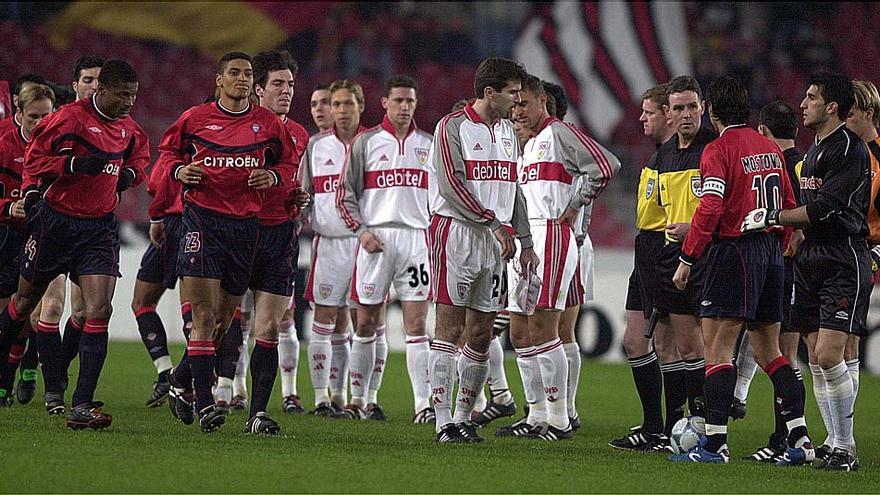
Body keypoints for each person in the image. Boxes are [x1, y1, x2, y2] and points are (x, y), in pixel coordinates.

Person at [669, 76, 812, 465]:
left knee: (718, 348)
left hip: (735, 253)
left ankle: (714, 444)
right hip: (770, 253)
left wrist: (687, 257)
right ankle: (799, 439)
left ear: (712, 111)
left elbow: (711, 205)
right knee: (772, 352)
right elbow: (787, 202)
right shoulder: (768, 147)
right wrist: (779, 244)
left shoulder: (718, 149)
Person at [0, 60, 149, 429]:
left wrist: (129, 175)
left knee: (99, 311)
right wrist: (69, 167)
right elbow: (34, 158)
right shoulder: (69, 118)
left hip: (98, 228)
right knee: (23, 304)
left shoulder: (129, 129)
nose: (129, 102)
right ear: (102, 90)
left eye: (133, 95)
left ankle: (81, 404)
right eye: (122, 94)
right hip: (55, 223)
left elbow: (141, 161)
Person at [161, 51, 298, 433]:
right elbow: (166, 155)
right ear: (218, 80)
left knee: (223, 324)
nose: (241, 79)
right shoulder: (195, 118)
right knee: (204, 317)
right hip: (202, 223)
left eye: (247, 73)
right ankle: (205, 404)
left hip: (246, 228)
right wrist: (177, 170)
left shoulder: (268, 123)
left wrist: (273, 177)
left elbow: (288, 165)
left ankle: (178, 380)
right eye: (234, 73)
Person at [742, 72, 870, 471]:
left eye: (811, 98)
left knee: (831, 354)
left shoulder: (849, 149)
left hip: (841, 259)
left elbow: (823, 208)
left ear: (832, 107)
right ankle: (834, 443)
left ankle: (845, 446)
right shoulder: (815, 150)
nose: (803, 104)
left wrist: (773, 217)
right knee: (815, 356)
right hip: (811, 259)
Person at [498, 75, 620, 441]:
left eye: (523, 104)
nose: (517, 111)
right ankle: (535, 415)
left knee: (544, 327)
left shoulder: (558, 134)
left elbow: (606, 164)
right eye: (514, 104)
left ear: (542, 103)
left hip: (550, 234)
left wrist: (574, 205)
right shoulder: (529, 145)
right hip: (525, 239)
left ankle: (559, 419)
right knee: (519, 332)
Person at [428, 57, 538, 443]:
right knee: (448, 329)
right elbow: (451, 185)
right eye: (512, 92)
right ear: (490, 93)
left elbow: (516, 190)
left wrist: (525, 241)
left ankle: (462, 417)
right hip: (457, 233)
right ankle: (442, 422)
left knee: (482, 332)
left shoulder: (509, 132)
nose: (518, 100)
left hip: (498, 242)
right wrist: (493, 223)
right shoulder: (452, 128)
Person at [337, 75, 434, 421]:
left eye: (410, 101)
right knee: (365, 323)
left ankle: (423, 404)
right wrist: (361, 231)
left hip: (415, 239)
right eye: (399, 101)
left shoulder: (429, 144)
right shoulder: (366, 143)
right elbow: (344, 195)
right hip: (375, 240)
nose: (405, 107)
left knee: (417, 324)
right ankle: (358, 399)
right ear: (384, 103)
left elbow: (438, 200)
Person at [232, 49, 310, 430]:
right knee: (218, 323)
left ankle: (256, 413)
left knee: (269, 327)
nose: (287, 91)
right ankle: (187, 382)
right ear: (257, 89)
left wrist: (295, 197)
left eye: (291, 84)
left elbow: (291, 181)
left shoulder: (298, 134)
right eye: (278, 83)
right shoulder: (236, 126)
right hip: (236, 231)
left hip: (279, 234)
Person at [609, 83, 683, 452]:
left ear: (668, 114)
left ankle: (673, 430)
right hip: (646, 250)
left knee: (669, 344)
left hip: (665, 251)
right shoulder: (658, 156)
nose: (641, 118)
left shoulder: (681, 158)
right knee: (634, 340)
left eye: (649, 112)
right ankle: (654, 427)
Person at [734, 100, 807, 462]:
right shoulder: (804, 163)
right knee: (773, 347)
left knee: (784, 356)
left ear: (763, 131)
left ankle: (786, 440)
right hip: (792, 269)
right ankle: (783, 434)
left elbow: (801, 226)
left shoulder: (780, 166)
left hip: (788, 269)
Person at [299, 79, 367, 416]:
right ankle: (322, 398)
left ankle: (358, 399)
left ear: (360, 107)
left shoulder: (373, 144)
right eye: (335, 105)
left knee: (364, 321)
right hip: (329, 244)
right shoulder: (315, 146)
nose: (339, 111)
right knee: (324, 321)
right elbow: (302, 194)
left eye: (346, 104)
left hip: (367, 245)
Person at [654, 76, 714, 423]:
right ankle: (687, 424)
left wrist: (694, 229)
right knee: (687, 348)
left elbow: (725, 207)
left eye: (693, 107)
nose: (687, 114)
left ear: (703, 109)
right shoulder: (663, 154)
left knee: (712, 349)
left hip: (709, 259)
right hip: (672, 260)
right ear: (669, 113)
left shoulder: (714, 148)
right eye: (679, 108)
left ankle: (711, 424)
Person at [0, 85, 55, 406]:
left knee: (31, 312)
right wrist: (8, 206)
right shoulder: (5, 146)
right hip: (8, 235)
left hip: (46, 236)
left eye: (46, 115)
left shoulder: (60, 146)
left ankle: (22, 378)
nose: (39, 122)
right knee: (9, 313)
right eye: (33, 116)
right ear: (18, 114)